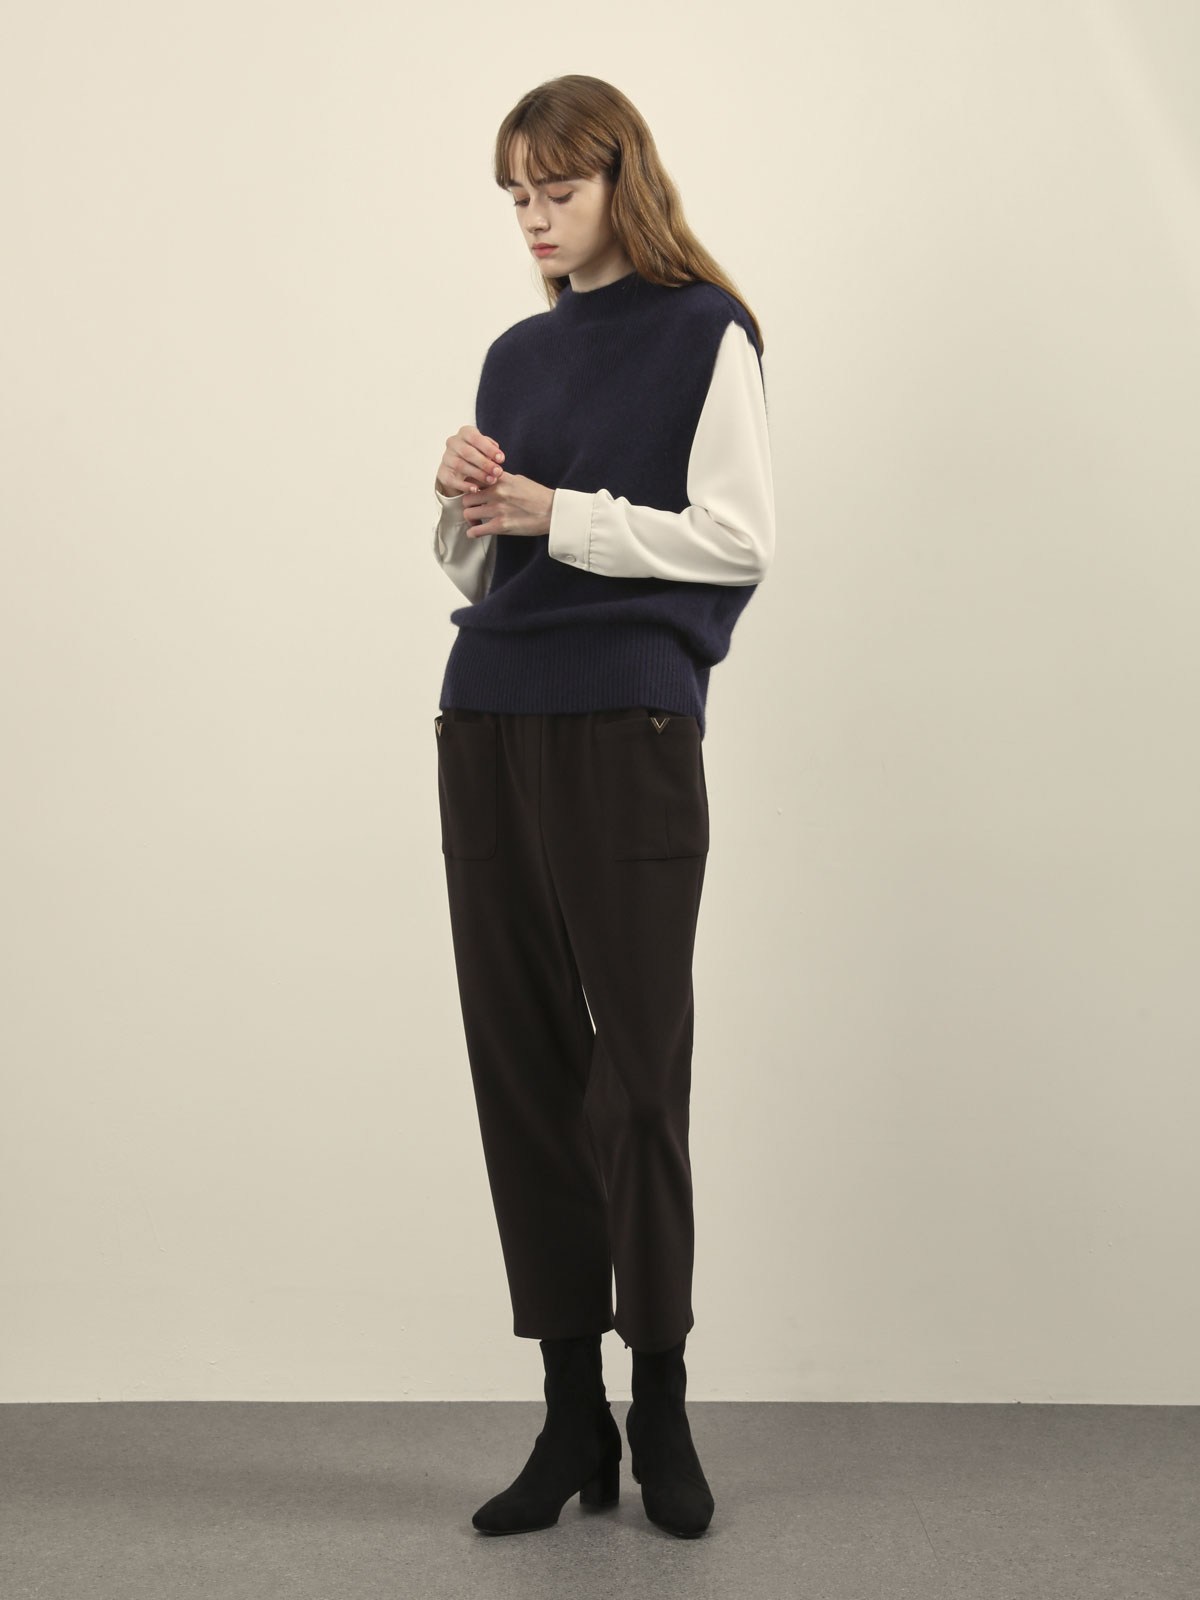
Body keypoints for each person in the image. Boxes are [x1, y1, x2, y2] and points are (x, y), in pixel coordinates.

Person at [430, 74, 775, 1540]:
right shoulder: (516, 354)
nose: (533, 219)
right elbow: (482, 569)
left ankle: (664, 1402)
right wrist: (461, 502)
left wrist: (555, 512)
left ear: (621, 178)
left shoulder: (706, 331)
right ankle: (570, 1411)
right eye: (516, 196)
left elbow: (739, 539)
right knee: (522, 1068)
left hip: (628, 722)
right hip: (487, 718)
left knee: (635, 1074)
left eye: (556, 191)